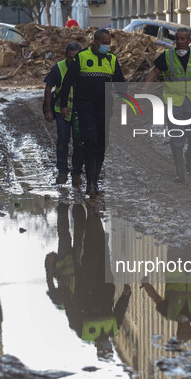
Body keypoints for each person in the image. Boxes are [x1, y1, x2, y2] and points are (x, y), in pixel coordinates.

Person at [45, 203, 131, 359]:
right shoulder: (113, 330)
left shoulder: (83, 332)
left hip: (86, 284)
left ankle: (92, 214)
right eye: (109, 349)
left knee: (91, 252)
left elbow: (70, 309)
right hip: (105, 285)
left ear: (98, 349)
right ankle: (94, 216)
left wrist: (64, 290)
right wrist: (126, 295)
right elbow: (120, 311)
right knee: (103, 250)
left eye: (104, 350)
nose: (107, 346)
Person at [58, 29, 126, 195]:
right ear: (95, 41)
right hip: (85, 107)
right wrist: (64, 104)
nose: (106, 46)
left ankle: (94, 176)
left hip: (104, 107)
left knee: (102, 144)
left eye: (108, 43)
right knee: (90, 142)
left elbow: (120, 84)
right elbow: (67, 81)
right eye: (104, 43)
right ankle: (91, 182)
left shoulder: (111, 59)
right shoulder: (82, 57)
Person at [145, 28, 191, 182]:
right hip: (174, 104)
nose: (180, 42)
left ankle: (189, 155)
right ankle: (179, 172)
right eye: (177, 39)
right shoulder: (168, 56)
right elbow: (154, 72)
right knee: (176, 139)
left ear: (189, 41)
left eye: (183, 39)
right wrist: (143, 92)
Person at [43, 42, 84, 186]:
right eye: (69, 57)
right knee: (63, 141)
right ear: (66, 56)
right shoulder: (58, 68)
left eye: (75, 57)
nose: (72, 60)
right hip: (62, 110)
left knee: (79, 143)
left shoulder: (85, 67)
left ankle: (77, 173)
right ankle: (62, 172)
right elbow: (48, 88)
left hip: (80, 111)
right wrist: (48, 109)